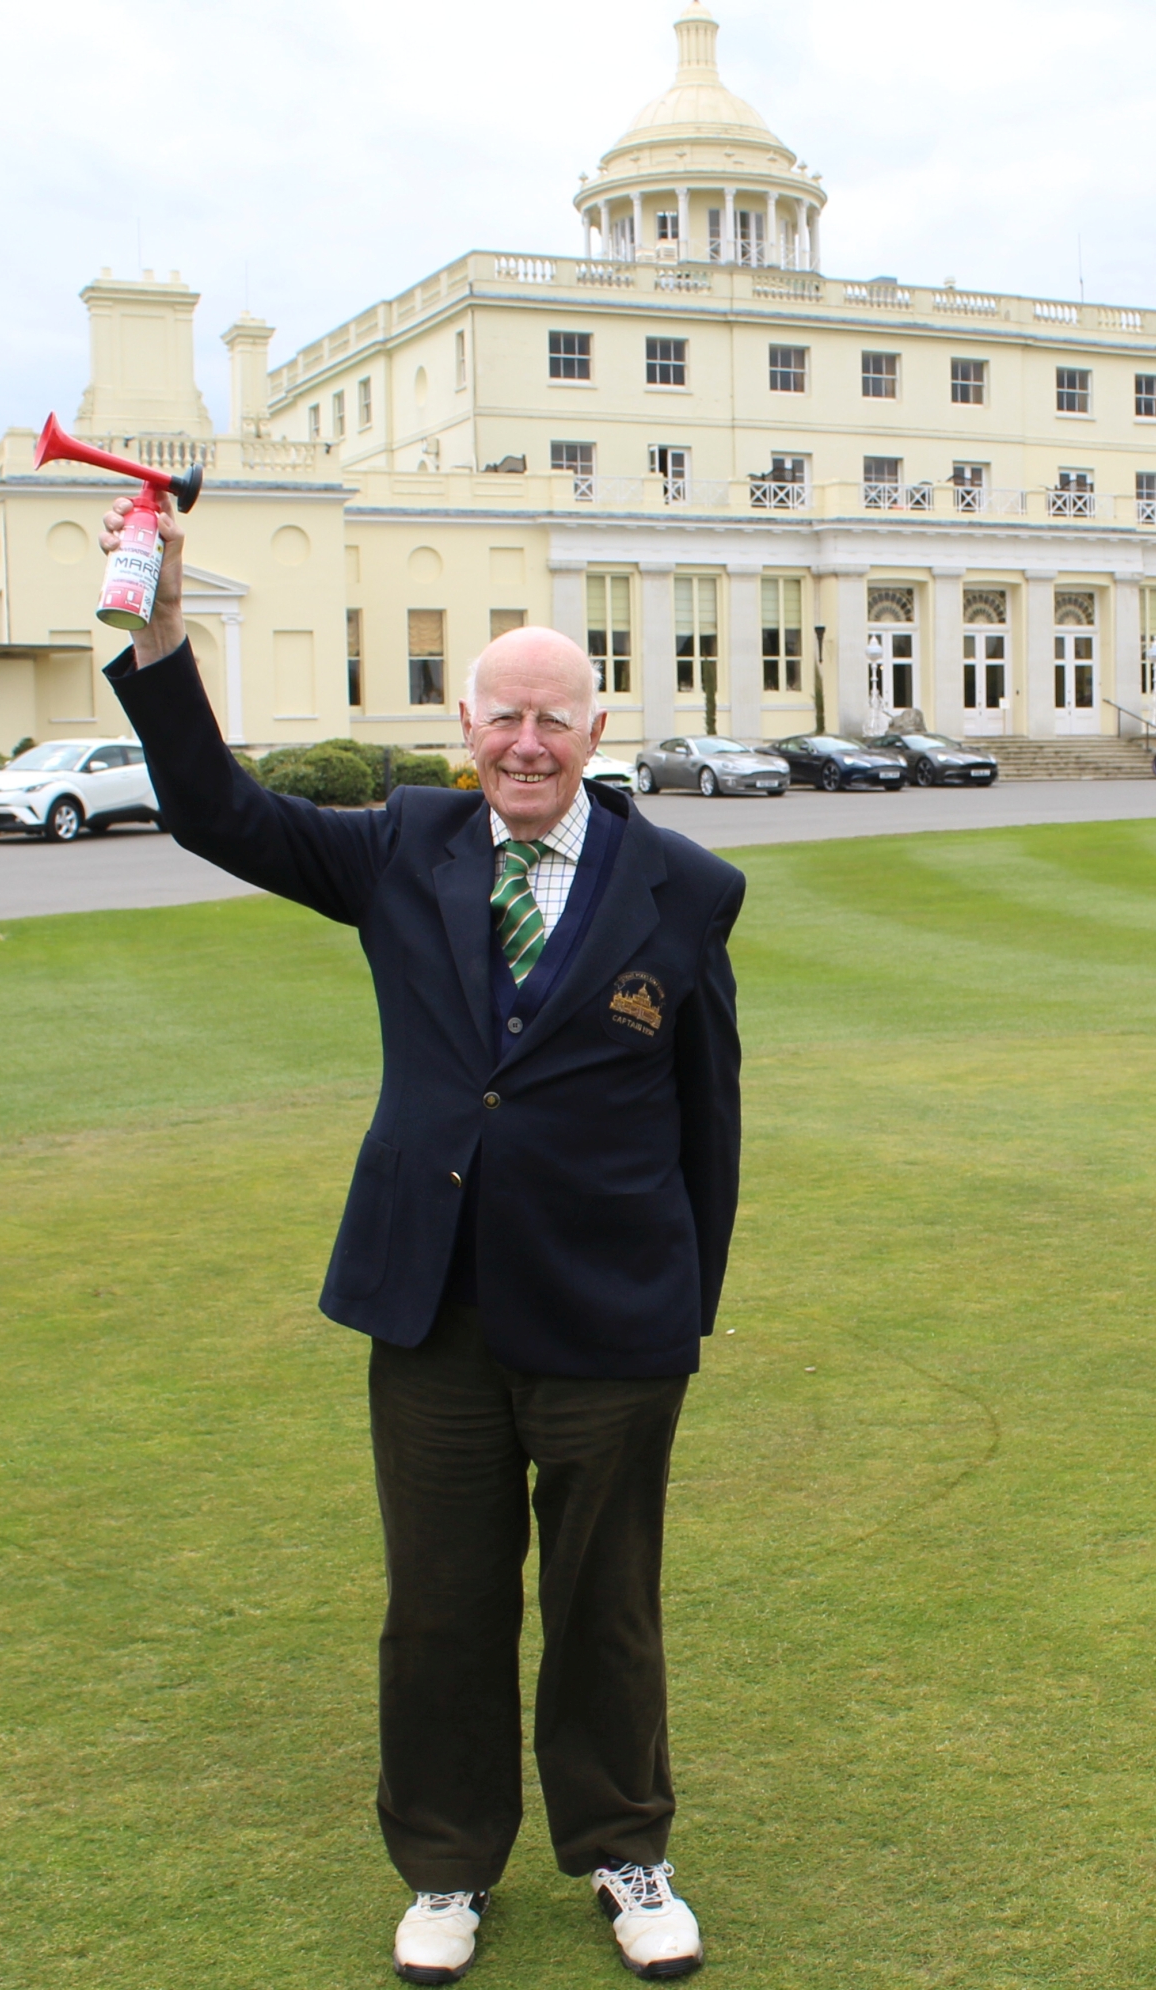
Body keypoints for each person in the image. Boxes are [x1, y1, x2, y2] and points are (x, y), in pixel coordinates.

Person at [98, 492, 743, 1984]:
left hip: (610, 1320)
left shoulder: (686, 892)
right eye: (502, 717)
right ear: (468, 723)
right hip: (433, 1308)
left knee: (606, 1602)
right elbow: (220, 813)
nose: (525, 744)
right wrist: (165, 638)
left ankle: (625, 1846)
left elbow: (709, 1124)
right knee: (440, 1604)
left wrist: (681, 1312)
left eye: (554, 720)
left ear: (598, 730)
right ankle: (447, 1865)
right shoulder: (408, 847)